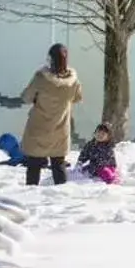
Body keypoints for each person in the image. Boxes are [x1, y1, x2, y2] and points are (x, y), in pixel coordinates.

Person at [19, 43, 84, 186]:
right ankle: (61, 199)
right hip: (60, 129)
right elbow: (78, 97)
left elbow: (26, 97)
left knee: (34, 166)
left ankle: (30, 198)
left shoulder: (41, 77)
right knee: (58, 165)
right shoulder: (72, 80)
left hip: (38, 128)